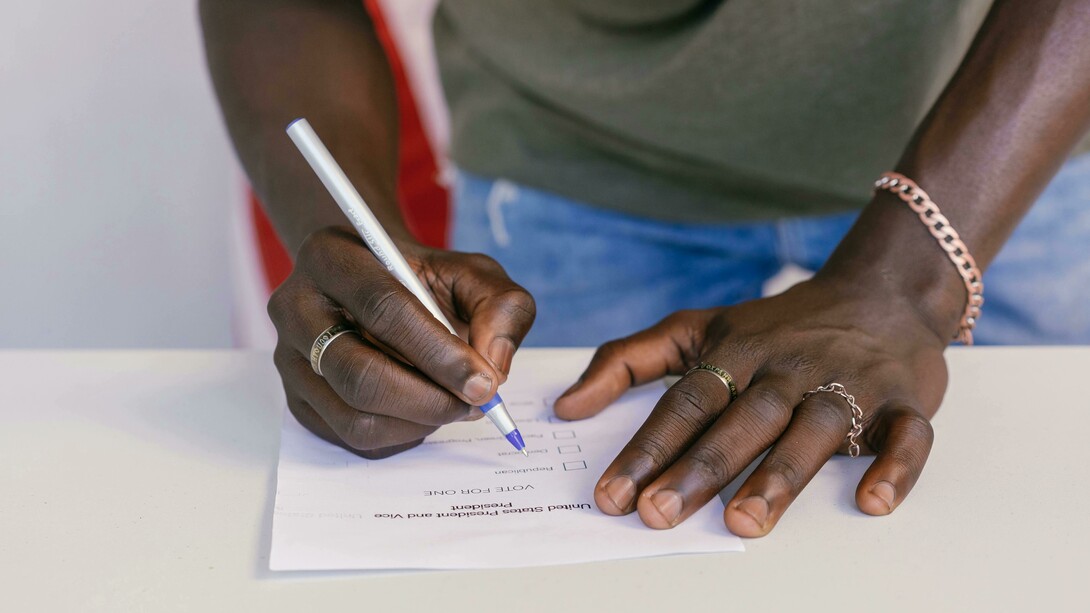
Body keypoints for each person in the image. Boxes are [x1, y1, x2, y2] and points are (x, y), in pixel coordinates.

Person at [200, 0, 1090, 537]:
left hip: (1002, 143)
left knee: (1027, 534)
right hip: (573, 156)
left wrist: (909, 278)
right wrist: (353, 255)